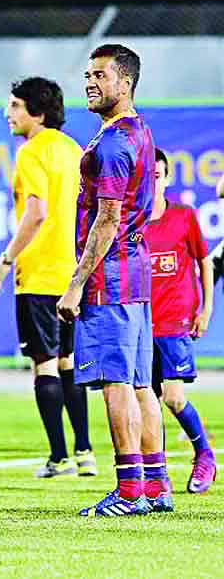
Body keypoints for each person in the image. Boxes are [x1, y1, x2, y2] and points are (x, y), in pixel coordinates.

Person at [57, 44, 159, 517]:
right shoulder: (138, 132)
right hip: (134, 276)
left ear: (126, 83)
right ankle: (155, 486)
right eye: (88, 75)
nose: (91, 83)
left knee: (116, 385)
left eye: (101, 75)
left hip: (110, 278)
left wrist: (77, 282)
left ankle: (130, 492)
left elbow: (108, 218)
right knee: (141, 385)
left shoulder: (114, 144)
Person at [0, 77, 95, 478]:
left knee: (44, 365)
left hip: (38, 275)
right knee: (69, 363)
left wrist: (5, 259)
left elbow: (36, 213)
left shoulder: (32, 152)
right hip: (71, 276)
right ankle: (85, 453)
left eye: (15, 105)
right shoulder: (73, 150)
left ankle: (59, 458)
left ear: (37, 112)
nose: (8, 113)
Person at [146, 148, 216, 495]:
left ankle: (204, 454)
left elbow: (205, 261)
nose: (151, 181)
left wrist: (206, 310)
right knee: (146, 400)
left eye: (157, 176)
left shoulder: (184, 217)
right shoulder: (131, 221)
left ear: (167, 178)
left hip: (174, 321)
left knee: (173, 398)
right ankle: (157, 477)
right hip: (140, 324)